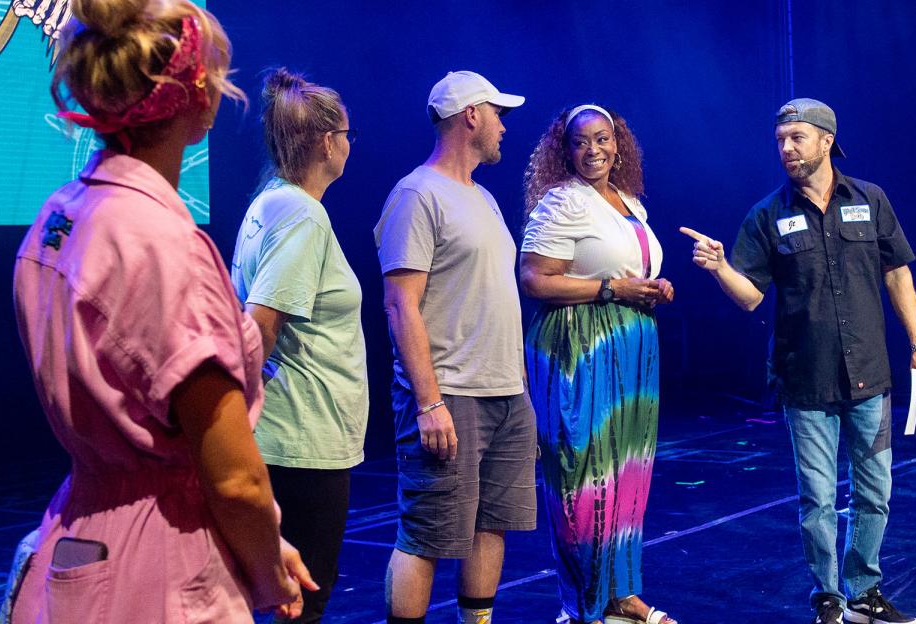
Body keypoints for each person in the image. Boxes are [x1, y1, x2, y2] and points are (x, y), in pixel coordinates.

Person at [10, 0, 314, 622]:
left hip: (77, 541)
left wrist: (266, 540)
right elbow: (234, 478)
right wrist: (267, 572)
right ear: (195, 95)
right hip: (162, 568)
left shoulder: (57, 218)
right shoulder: (163, 244)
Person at [680, 98, 916, 624]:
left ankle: (864, 593)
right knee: (817, 499)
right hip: (806, 378)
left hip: (870, 375)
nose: (787, 148)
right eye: (780, 140)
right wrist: (720, 267)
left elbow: (898, 274)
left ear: (826, 140)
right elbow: (750, 297)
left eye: (797, 137)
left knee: (875, 492)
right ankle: (828, 596)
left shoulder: (870, 199)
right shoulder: (768, 215)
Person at [373, 70, 537, 624]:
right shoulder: (417, 195)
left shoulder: (484, 198)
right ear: (471, 115)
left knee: (492, 524)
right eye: (498, 114)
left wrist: (520, 390)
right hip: (450, 394)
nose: (504, 127)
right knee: (426, 535)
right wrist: (429, 402)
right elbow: (400, 305)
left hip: (505, 394)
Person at [520, 105, 677, 624]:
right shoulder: (562, 201)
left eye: (603, 139)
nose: (594, 150)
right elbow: (534, 279)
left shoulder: (628, 202)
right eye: (581, 141)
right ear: (565, 151)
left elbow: (628, 268)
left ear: (618, 144)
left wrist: (651, 287)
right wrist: (614, 289)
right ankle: (583, 603)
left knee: (628, 470)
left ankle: (622, 594)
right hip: (580, 344)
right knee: (582, 475)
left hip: (630, 345)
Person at [230, 68, 369, 622]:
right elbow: (261, 323)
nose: (351, 145)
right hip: (301, 439)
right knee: (303, 599)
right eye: (348, 134)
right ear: (327, 142)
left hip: (291, 434)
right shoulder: (301, 214)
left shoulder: (271, 202)